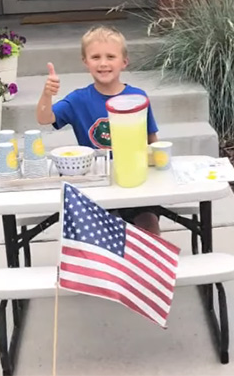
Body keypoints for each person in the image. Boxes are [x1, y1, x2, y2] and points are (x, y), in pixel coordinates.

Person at [35, 25, 162, 235]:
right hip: (96, 181)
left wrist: (156, 167)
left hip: (133, 178)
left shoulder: (138, 97)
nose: (103, 63)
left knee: (148, 223)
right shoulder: (78, 99)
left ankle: (150, 263)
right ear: (86, 62)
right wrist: (47, 94)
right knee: (100, 233)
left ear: (124, 62)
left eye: (110, 56)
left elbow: (152, 139)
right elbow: (44, 118)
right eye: (96, 57)